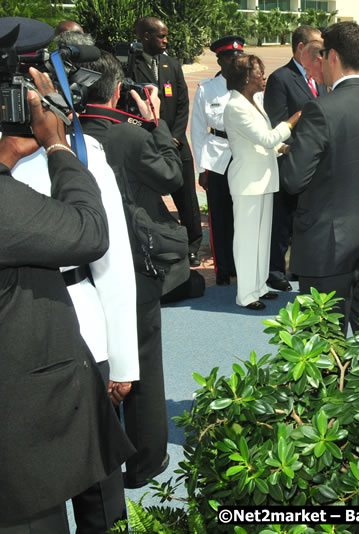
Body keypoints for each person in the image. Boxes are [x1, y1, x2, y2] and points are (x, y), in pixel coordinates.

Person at [0, 20, 133, 530]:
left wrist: (120, 358)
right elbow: (91, 232)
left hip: (79, 331)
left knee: (98, 495)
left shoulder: (86, 152)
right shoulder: (69, 153)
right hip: (35, 360)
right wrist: (56, 145)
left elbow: (113, 268)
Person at [79, 50, 183, 490]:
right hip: (135, 262)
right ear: (119, 91)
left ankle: (94, 463)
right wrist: (155, 122)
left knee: (93, 365)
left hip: (78, 266)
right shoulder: (131, 136)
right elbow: (174, 176)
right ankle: (145, 460)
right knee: (142, 361)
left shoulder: (64, 133)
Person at [283, 21, 359, 335]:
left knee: (321, 348)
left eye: (322, 54)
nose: (318, 62)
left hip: (326, 247)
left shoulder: (319, 110)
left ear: (334, 56)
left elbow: (293, 179)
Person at [224, 54, 299, 310]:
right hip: (248, 181)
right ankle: (245, 294)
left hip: (264, 179)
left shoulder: (254, 101)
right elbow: (265, 138)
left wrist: (283, 148)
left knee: (262, 238)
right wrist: (293, 120)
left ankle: (259, 285)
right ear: (246, 77)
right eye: (260, 72)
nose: (264, 77)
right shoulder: (235, 106)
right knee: (247, 240)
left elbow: (264, 142)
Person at [132, 16, 201, 266]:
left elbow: (182, 102)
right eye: (161, 36)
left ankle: (193, 244)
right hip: (144, 142)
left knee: (187, 198)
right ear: (145, 37)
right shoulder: (130, 65)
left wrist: (174, 135)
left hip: (175, 141)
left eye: (166, 35)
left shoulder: (171, 64)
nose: (166, 40)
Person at [264, 25, 322, 293]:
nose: (321, 53)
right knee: (283, 219)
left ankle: (298, 266)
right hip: (290, 160)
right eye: (316, 47)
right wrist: (293, 152)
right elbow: (277, 122)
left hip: (314, 161)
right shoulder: (281, 78)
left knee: (305, 216)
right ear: (300, 47)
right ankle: (275, 270)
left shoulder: (320, 78)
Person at [190, 35, 244, 287]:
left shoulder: (250, 84)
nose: (235, 61)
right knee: (220, 216)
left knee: (244, 215)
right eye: (230, 57)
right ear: (220, 61)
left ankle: (244, 264)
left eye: (238, 56)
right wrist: (202, 168)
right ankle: (223, 267)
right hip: (218, 157)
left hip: (245, 157)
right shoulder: (207, 89)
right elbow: (199, 131)